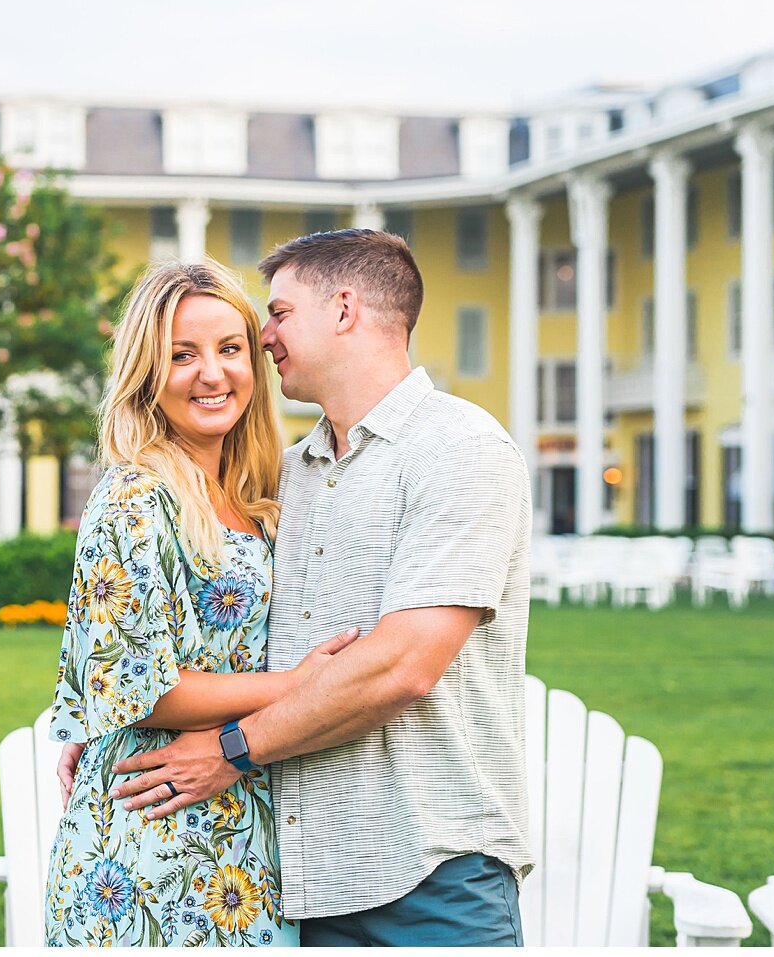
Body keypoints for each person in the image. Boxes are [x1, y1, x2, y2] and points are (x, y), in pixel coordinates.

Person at [98, 230, 534, 946]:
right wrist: (116, 720)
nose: (263, 335)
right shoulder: (286, 478)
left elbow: (405, 665)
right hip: (303, 878)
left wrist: (231, 748)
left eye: (279, 312)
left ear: (343, 308)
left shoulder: (459, 448)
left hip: (433, 872)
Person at [43, 259, 356, 947]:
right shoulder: (134, 499)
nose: (211, 373)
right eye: (181, 355)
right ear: (147, 372)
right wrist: (299, 685)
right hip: (149, 840)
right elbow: (139, 687)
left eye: (229, 349)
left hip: (246, 828)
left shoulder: (262, 499)